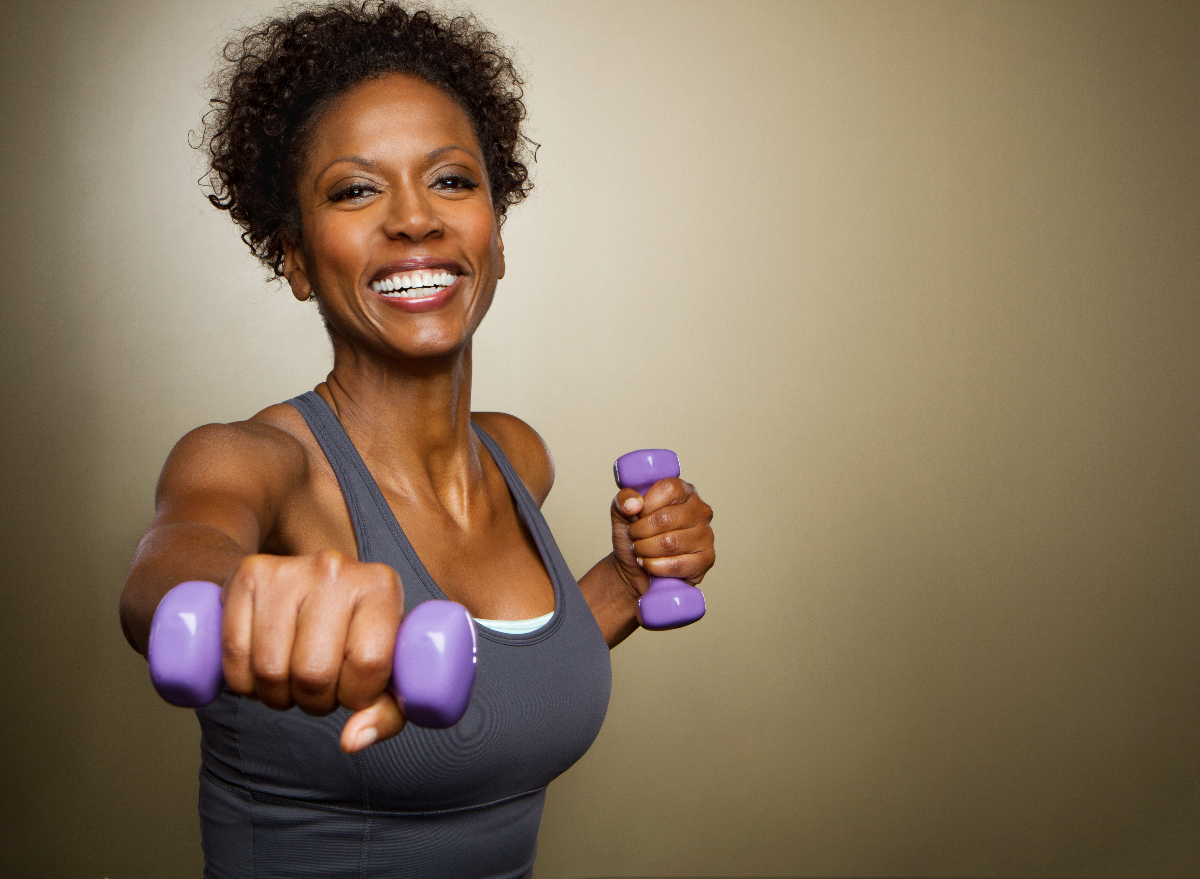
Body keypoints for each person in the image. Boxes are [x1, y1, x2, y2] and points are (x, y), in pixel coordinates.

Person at [118, 3, 715, 876]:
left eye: (451, 181)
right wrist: (242, 600)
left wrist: (626, 581)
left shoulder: (518, 458)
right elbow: (165, 576)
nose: (414, 220)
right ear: (293, 257)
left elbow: (495, 682)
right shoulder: (254, 462)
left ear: (496, 239)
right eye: (357, 189)